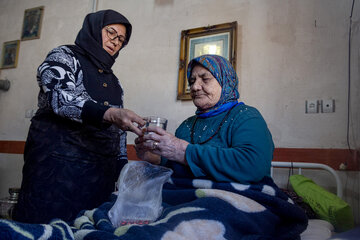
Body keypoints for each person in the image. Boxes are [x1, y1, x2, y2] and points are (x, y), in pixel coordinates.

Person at [13, 10, 145, 224]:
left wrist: (122, 171)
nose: (115, 41)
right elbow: (60, 99)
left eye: (121, 39)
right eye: (111, 32)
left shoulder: (115, 83)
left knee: (86, 228)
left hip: (98, 176)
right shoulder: (64, 56)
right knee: (46, 227)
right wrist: (110, 113)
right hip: (56, 170)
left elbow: (118, 132)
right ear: (93, 29)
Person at [135, 54, 274, 183]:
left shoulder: (246, 116)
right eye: (192, 81)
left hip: (236, 196)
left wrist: (183, 150)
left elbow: (252, 165)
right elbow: (175, 168)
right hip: (187, 194)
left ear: (225, 81)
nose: (195, 87)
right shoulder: (187, 126)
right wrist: (154, 158)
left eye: (205, 79)